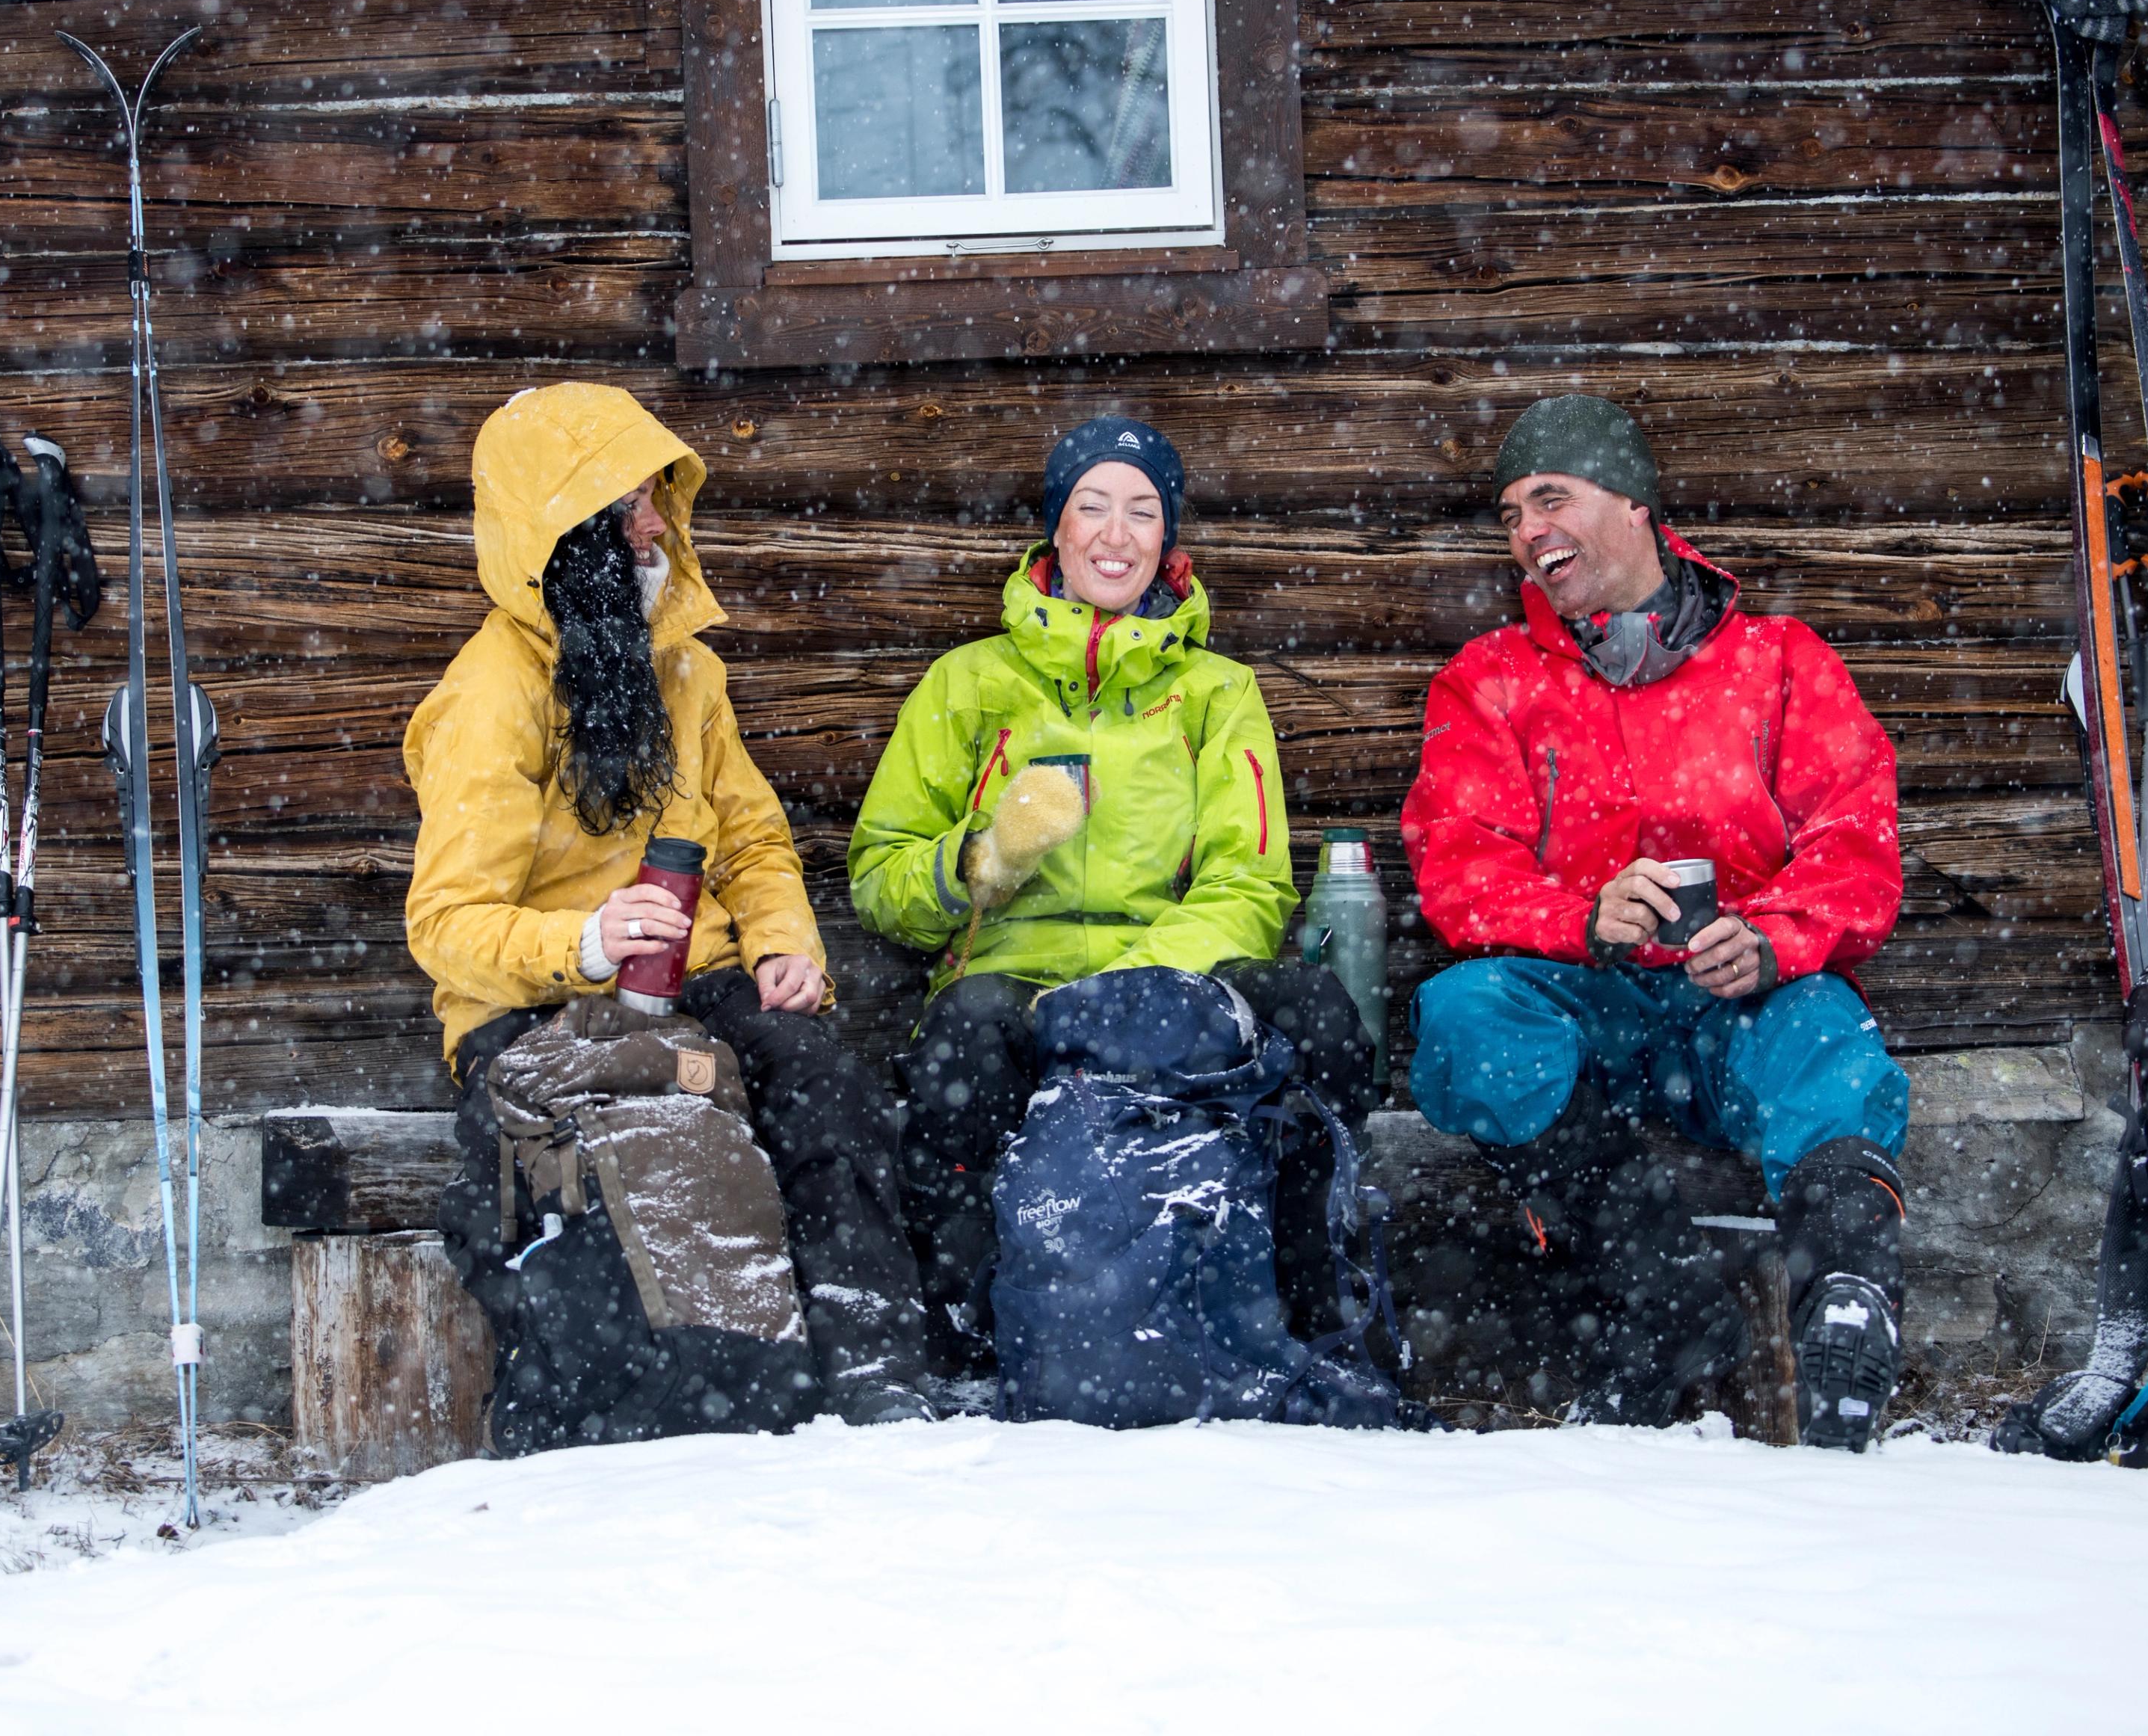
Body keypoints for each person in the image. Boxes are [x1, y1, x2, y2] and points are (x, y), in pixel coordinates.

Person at [401, 382, 933, 1424]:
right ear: (556, 531)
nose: (654, 525)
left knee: (826, 1085)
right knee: (636, 1152)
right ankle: (689, 1406)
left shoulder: (690, 673)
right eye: (623, 504)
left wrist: (786, 947)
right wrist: (586, 943)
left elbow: (753, 839)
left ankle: (876, 1377)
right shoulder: (493, 695)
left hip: (702, 983)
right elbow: (446, 927)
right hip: (536, 1010)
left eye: (655, 498)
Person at [1400, 393, 1912, 1450]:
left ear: (1634, 504)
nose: (1530, 531)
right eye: (1511, 515)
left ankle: (1848, 1298)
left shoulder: (1780, 665)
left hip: (1737, 1004)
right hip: (1584, 1007)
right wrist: (1582, 918)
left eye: (1554, 499)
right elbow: (1458, 865)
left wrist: (1774, 934)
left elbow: (1855, 840)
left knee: (1827, 1032)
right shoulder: (1490, 682)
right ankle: (1652, 1275)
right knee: (1466, 1017)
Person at [848, 415, 1376, 1369]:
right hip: (1015, 986)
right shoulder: (967, 684)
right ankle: (965, 1340)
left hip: (1176, 984)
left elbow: (1249, 882)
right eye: (1091, 506)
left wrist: (1128, 992)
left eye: (1142, 512)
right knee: (961, 1042)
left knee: (1322, 1019)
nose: (1115, 534)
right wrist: (981, 862)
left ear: (1168, 543)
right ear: (1055, 529)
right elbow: (880, 878)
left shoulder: (1219, 693)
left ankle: (1311, 1309)